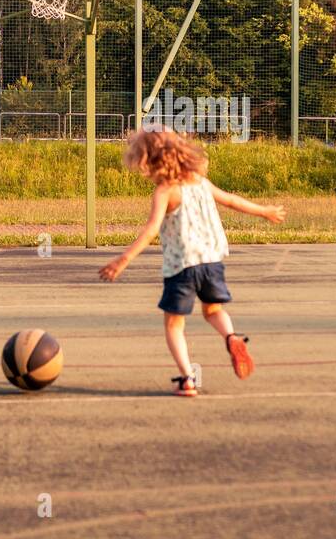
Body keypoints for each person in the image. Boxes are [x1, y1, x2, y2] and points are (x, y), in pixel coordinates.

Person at [99, 128, 286, 395]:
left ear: (148, 161)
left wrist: (123, 259)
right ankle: (232, 337)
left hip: (182, 266)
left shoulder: (165, 191)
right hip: (212, 262)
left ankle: (188, 379)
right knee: (212, 311)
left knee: (174, 325)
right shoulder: (199, 181)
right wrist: (264, 211)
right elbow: (231, 201)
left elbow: (152, 229)